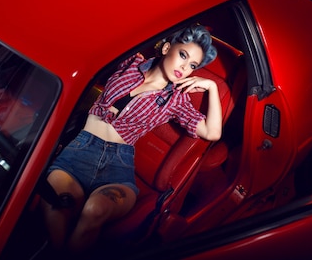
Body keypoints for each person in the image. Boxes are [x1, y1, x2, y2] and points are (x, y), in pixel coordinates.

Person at [41, 24, 221, 254]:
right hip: (79, 151)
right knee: (60, 202)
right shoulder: (130, 63)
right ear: (167, 47)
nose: (184, 67)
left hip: (117, 165)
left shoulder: (175, 100)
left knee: (95, 210)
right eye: (183, 55)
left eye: (192, 65)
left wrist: (211, 86)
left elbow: (212, 132)